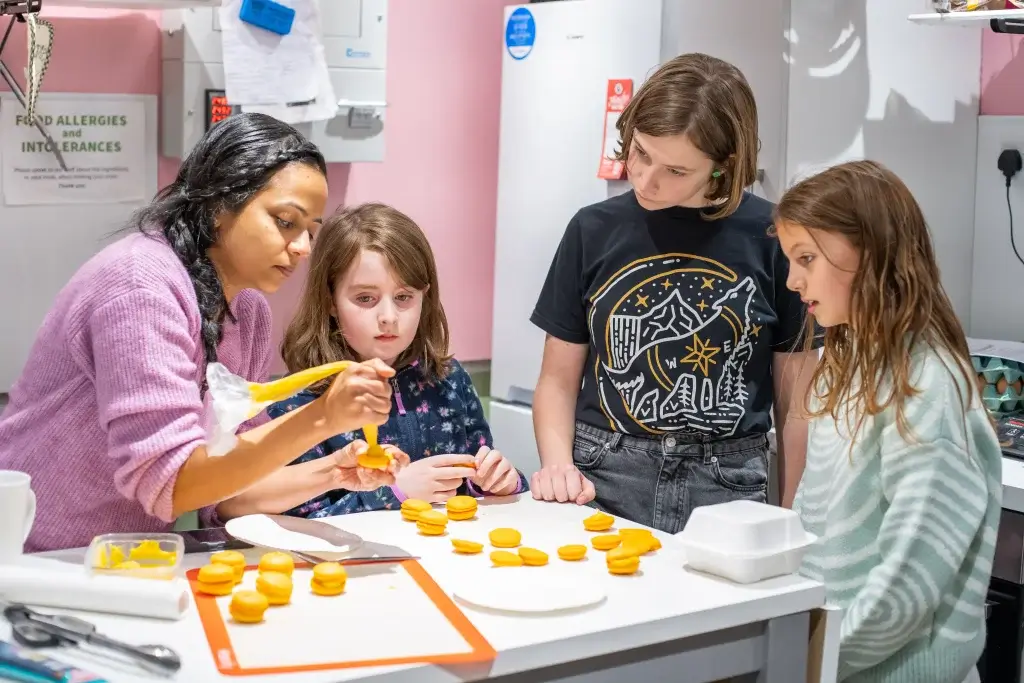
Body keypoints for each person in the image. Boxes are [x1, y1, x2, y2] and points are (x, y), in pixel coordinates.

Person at [0, 113, 407, 552]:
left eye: (311, 231)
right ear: (217, 207)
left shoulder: (247, 313)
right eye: (286, 222)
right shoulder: (141, 285)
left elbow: (230, 494)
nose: (304, 248)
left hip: (124, 557)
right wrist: (323, 416)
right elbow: (171, 483)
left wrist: (333, 471)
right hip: (35, 553)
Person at [529, 53, 819, 532]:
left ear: (723, 167)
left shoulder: (777, 238)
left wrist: (792, 519)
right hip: (603, 475)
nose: (645, 179)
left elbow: (795, 407)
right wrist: (559, 467)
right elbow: (557, 380)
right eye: (640, 152)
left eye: (677, 171)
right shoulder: (592, 229)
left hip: (727, 486)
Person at [776, 160, 999, 683]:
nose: (791, 279)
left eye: (805, 257)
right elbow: (815, 529)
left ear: (869, 252)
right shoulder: (844, 368)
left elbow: (909, 578)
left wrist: (813, 663)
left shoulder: (928, 387)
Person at [214, 203, 527, 520]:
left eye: (404, 297)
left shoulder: (449, 380)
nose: (389, 317)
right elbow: (301, 521)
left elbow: (475, 477)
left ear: (425, 298)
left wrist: (499, 482)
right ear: (331, 301)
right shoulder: (299, 404)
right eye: (365, 298)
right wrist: (395, 492)